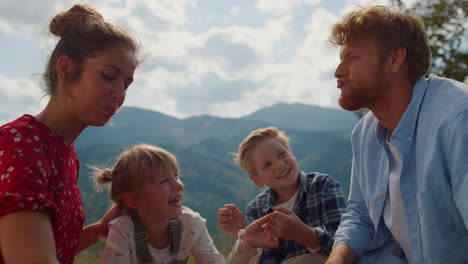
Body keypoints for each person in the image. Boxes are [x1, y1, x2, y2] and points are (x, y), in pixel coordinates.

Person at [326, 5, 468, 264]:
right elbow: (360, 216)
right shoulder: (364, 133)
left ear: (395, 59)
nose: (338, 71)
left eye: (352, 58)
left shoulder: (457, 117)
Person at [0, 4, 139, 264]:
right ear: (65, 69)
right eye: (109, 75)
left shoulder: (63, 152)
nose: (119, 94)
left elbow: (53, 248)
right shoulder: (20, 144)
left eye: (126, 84)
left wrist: (99, 231)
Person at [95, 144, 284, 264]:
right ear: (134, 200)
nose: (178, 185)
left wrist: (246, 243)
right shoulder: (122, 231)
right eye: (164, 181)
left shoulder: (190, 224)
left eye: (176, 176)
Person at [218, 126, 346, 264]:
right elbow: (267, 260)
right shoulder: (257, 208)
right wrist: (242, 234)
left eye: (282, 154)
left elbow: (345, 244)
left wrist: (305, 234)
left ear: (293, 155)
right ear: (257, 180)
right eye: (267, 164)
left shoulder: (322, 185)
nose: (279, 164)